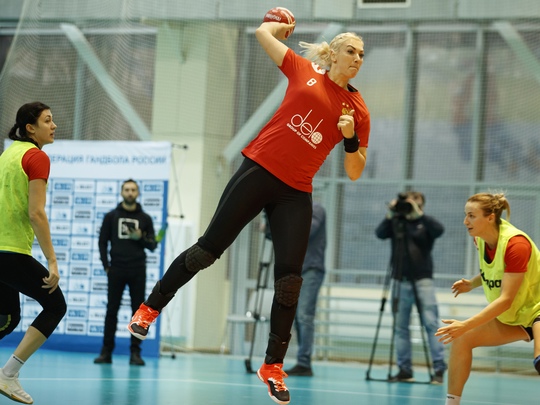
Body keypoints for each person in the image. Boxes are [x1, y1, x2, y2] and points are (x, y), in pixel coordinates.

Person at [127, 11, 370, 405]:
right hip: (259, 171)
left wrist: (350, 138)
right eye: (351, 51)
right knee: (207, 250)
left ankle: (273, 366)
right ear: (333, 55)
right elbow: (262, 32)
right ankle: (149, 308)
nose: (358, 58)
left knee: (290, 281)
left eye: (361, 54)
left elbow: (355, 171)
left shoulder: (357, 110)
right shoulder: (303, 70)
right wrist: (281, 23)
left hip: (296, 192)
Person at [435, 192, 540, 405]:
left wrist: (465, 324)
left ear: (490, 217)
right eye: (466, 215)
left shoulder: (516, 245)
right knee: (462, 339)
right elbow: (500, 272)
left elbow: (506, 299)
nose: (465, 221)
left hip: (536, 310)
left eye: (471, 216)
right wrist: (472, 283)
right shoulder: (480, 240)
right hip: (517, 315)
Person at [0, 102, 67, 404]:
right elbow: (36, 213)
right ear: (30, 128)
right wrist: (52, 259)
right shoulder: (36, 156)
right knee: (55, 306)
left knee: (8, 317)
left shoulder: (8, 154)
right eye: (47, 121)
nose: (54, 126)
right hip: (10, 251)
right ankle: (8, 374)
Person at [375, 191, 447, 384]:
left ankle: (439, 367)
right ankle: (404, 369)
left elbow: (439, 230)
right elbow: (380, 233)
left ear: (421, 205)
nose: (410, 205)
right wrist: (391, 213)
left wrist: (418, 215)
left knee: (431, 323)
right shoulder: (396, 222)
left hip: (423, 280)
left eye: (415, 202)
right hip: (399, 280)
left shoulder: (425, 223)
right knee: (400, 327)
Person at [94, 179, 157, 366]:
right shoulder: (111, 216)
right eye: (127, 189)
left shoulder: (145, 219)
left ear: (138, 193)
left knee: (138, 313)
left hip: (138, 270)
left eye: (133, 190)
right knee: (111, 310)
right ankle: (106, 352)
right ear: (122, 192)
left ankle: (135, 353)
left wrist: (141, 238)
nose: (130, 193)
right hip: (116, 269)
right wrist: (106, 265)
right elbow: (102, 242)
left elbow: (152, 245)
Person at [285, 202, 326, 377]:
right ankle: (303, 361)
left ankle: (304, 362)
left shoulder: (316, 209)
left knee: (304, 316)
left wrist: (286, 219)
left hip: (311, 269)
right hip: (296, 270)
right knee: (296, 317)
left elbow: (306, 231)